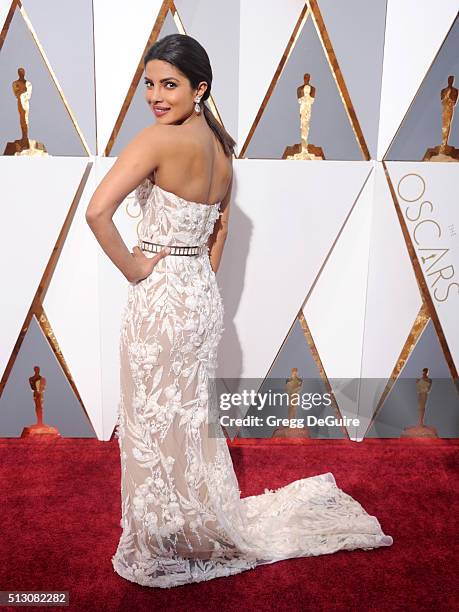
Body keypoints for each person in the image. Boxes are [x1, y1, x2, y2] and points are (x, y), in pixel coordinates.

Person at [85, 33, 393, 589]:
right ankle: (191, 527)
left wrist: (135, 267)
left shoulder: (157, 141)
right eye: (149, 84)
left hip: (160, 302)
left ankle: (166, 537)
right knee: (186, 422)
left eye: (169, 84)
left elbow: (97, 211)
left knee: (157, 420)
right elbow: (220, 229)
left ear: (199, 88)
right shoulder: (221, 151)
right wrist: (195, 276)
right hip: (199, 298)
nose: (156, 95)